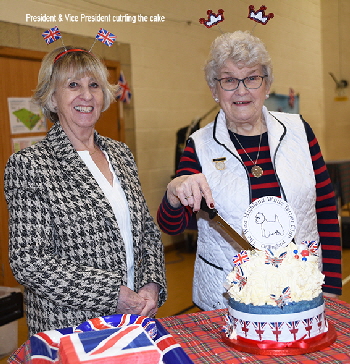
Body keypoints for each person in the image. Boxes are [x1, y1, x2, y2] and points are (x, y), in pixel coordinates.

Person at [157, 31, 342, 311]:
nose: (241, 90)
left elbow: (326, 208)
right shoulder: (199, 145)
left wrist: (331, 286)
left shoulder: (299, 131)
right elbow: (172, 225)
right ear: (214, 90)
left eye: (252, 78)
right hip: (227, 296)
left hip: (302, 287)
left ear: (266, 85)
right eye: (229, 80)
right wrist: (173, 193)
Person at [4, 46, 167, 336]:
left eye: (94, 85)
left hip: (134, 321)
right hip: (72, 329)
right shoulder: (31, 164)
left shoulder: (121, 154)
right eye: (73, 85)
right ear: (52, 98)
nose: (87, 95)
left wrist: (152, 284)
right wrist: (113, 295)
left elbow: (148, 233)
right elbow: (29, 261)